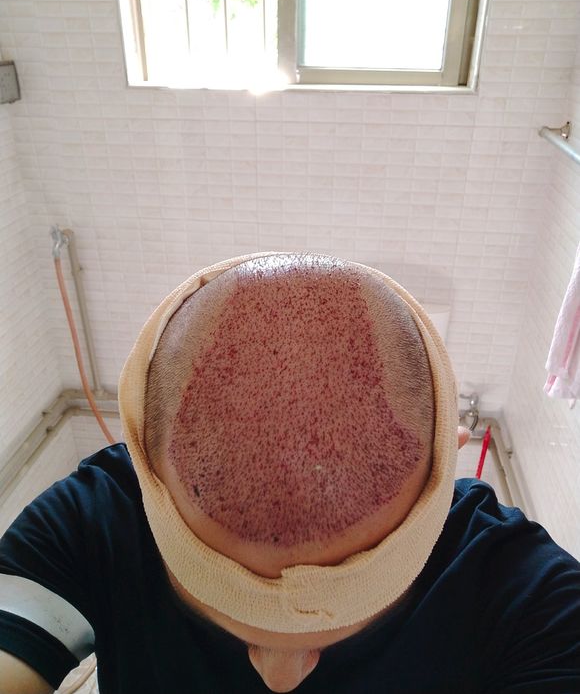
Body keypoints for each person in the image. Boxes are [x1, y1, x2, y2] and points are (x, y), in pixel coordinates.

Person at [0, 252, 579, 694]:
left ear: (447, 462)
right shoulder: (91, 527)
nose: (280, 681)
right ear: (145, 476)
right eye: (233, 621)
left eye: (356, 619)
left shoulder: (532, 603)